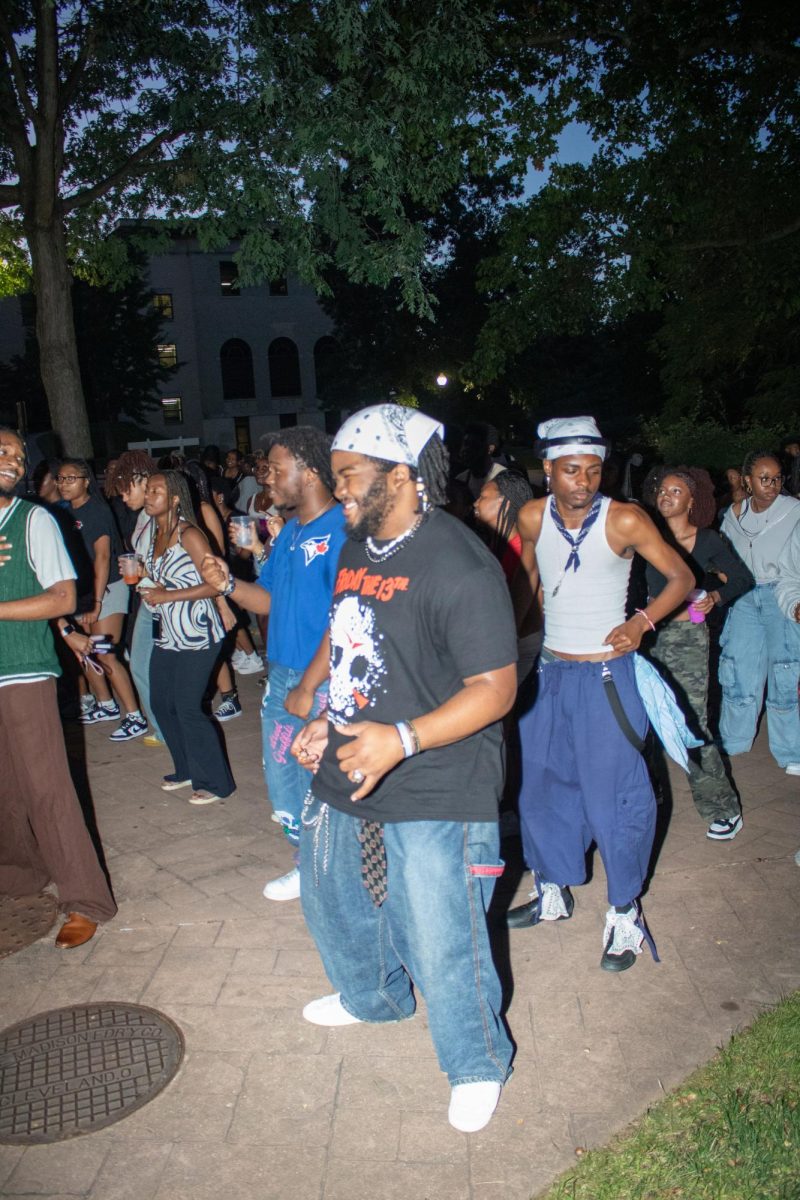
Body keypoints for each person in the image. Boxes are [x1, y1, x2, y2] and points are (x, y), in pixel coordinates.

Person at [288, 404, 517, 1134]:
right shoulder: (359, 549)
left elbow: (495, 689)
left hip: (436, 771)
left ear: (406, 476)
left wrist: (403, 740)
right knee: (330, 893)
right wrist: (327, 716)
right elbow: (355, 641)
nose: (340, 490)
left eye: (352, 477)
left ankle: (476, 1061)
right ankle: (372, 998)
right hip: (354, 749)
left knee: (440, 928)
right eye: (337, 476)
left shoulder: (462, 564)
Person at [509, 417, 694, 971]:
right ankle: (552, 889)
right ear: (547, 470)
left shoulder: (627, 519)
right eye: (571, 471)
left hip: (608, 678)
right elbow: (527, 585)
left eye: (593, 470)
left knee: (615, 797)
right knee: (539, 787)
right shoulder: (531, 515)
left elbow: (682, 579)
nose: (584, 481)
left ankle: (624, 914)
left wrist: (641, 622)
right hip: (547, 674)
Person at [200, 427, 346, 899]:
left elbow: (348, 615)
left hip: (322, 678)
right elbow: (268, 601)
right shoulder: (292, 532)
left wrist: (311, 683)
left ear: (308, 471)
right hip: (282, 672)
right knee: (284, 776)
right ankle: (309, 865)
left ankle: (337, 873)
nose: (268, 479)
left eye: (277, 469)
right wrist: (226, 585)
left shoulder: (344, 528)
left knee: (324, 778)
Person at [0, 426, 117, 948]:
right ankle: (18, 877)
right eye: (2, 450)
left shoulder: (34, 520)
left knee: (47, 787)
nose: (13, 460)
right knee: (5, 789)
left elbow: (64, 596)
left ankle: (85, 898)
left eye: (18, 455)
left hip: (23, 670)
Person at [644, 467, 753, 837]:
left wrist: (715, 597)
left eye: (677, 491)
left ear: (693, 501)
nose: (666, 495)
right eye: (662, 489)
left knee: (692, 722)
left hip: (688, 636)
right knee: (643, 721)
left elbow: (741, 578)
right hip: (647, 637)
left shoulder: (706, 540)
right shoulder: (646, 537)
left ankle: (721, 807)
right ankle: (650, 799)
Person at [142, 470, 235, 804]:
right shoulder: (155, 532)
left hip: (198, 631)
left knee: (187, 706)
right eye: (147, 490)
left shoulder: (189, 534)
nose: (148, 495)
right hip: (168, 631)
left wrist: (168, 597)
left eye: (156, 490)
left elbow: (216, 583)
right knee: (160, 703)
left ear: (175, 498)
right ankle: (185, 768)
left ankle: (217, 783)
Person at [719, 450, 800, 775]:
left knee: (785, 671)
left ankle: (791, 750)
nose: (772, 484)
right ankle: (734, 740)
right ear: (748, 480)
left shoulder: (794, 511)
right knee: (737, 668)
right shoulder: (734, 514)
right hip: (743, 598)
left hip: (780, 594)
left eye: (777, 477)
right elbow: (721, 554)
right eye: (764, 478)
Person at [56, 457, 147, 740]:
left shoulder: (96, 510)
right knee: (83, 650)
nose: (63, 484)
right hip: (82, 592)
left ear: (85, 482)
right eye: (60, 479)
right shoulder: (65, 512)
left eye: (70, 478)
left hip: (107, 587)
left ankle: (135, 716)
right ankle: (105, 704)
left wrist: (96, 602)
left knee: (105, 652)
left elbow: (103, 557)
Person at [113, 450, 164, 746]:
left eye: (124, 489)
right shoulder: (144, 516)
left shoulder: (162, 514)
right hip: (146, 598)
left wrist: (144, 570)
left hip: (165, 600)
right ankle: (160, 726)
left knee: (154, 668)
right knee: (140, 665)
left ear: (141, 480)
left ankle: (167, 727)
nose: (122, 497)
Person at [473, 468, 541, 684]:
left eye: (483, 497)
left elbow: (522, 609)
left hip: (517, 646)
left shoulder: (523, 550)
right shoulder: (499, 546)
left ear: (506, 504)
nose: (475, 503)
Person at [456, 422, 506, 499]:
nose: (464, 450)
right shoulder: (461, 480)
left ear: (489, 448)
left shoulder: (505, 479)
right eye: (465, 444)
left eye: (473, 445)